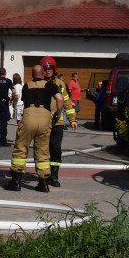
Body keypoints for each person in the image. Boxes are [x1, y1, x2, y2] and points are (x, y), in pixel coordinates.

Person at [6, 64, 63, 193]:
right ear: (43, 74)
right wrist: (58, 115)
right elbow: (59, 99)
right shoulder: (50, 85)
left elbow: (25, 102)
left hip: (29, 116)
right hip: (45, 117)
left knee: (21, 148)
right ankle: (43, 184)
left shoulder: (27, 85)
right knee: (42, 150)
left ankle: (16, 182)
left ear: (32, 74)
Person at [44, 56, 77, 188]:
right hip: (43, 123)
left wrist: (72, 119)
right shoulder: (39, 83)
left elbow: (67, 103)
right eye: (45, 69)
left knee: (56, 150)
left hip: (57, 123)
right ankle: (44, 175)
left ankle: (54, 176)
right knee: (43, 150)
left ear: (54, 69)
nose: (47, 71)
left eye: (49, 69)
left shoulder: (61, 84)